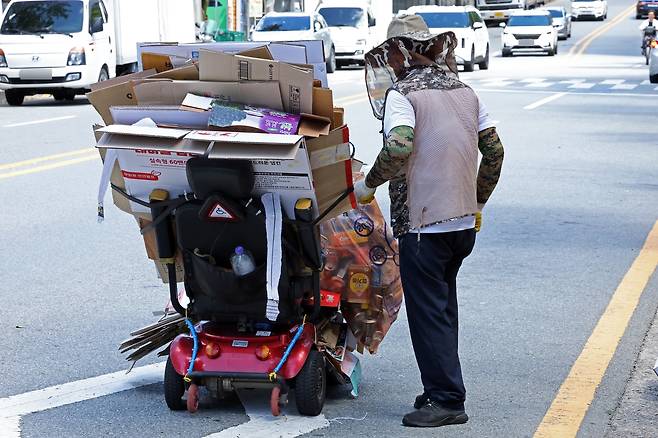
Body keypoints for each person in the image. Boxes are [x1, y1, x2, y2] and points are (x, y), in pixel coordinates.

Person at [353, 15, 504, 428]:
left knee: (428, 313)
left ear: (401, 52)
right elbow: (495, 153)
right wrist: (477, 202)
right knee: (443, 308)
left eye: (391, 55)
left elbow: (399, 145)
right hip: (460, 226)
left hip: (423, 224)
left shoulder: (402, 95)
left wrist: (368, 184)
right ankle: (440, 386)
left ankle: (447, 399)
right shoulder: (467, 92)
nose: (391, 64)